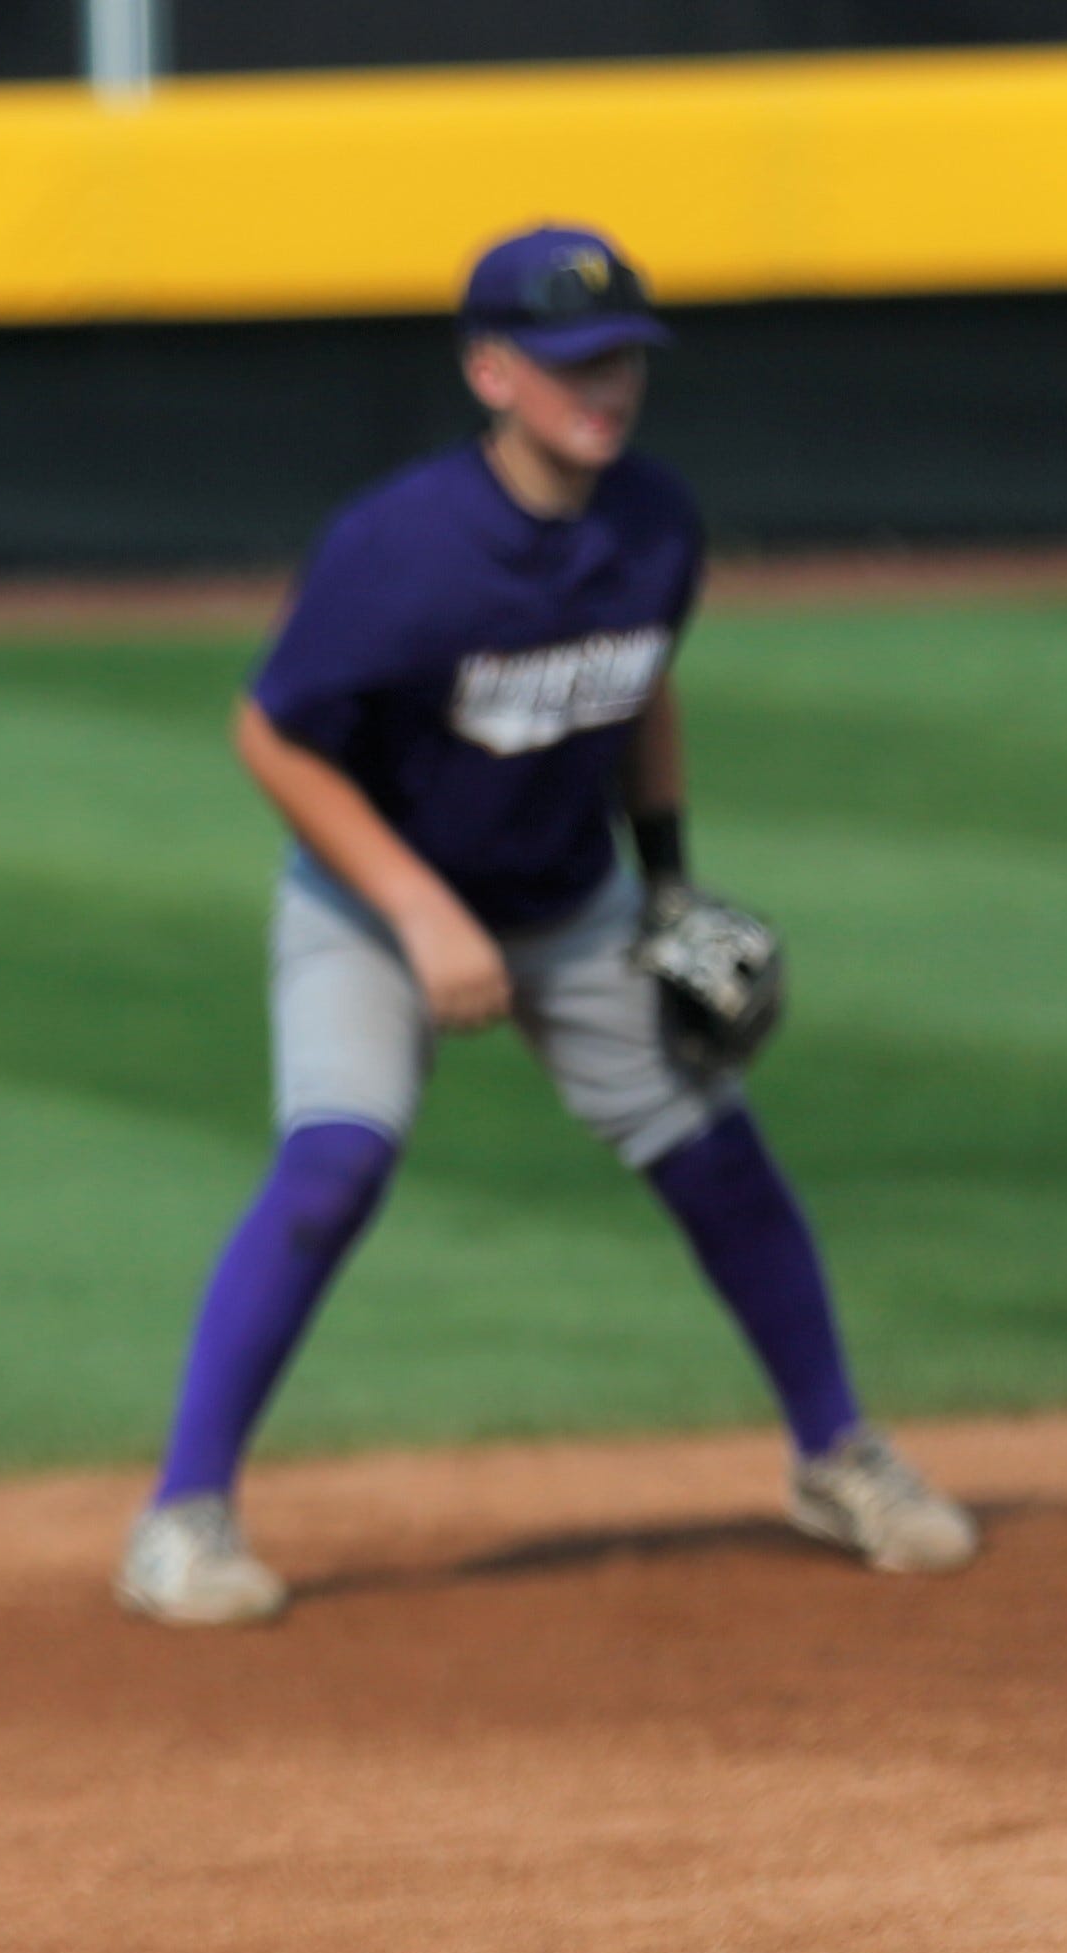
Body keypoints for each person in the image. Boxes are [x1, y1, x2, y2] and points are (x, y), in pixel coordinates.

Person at [115, 226, 978, 1628]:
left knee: (715, 1156)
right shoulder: (401, 550)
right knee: (333, 1168)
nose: (605, 387)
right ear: (491, 373)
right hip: (370, 901)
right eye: (572, 361)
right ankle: (182, 1517)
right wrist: (418, 913)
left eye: (622, 358)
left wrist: (672, 880)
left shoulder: (653, 524)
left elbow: (639, 687)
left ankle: (837, 1456)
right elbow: (273, 737)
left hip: (571, 901)